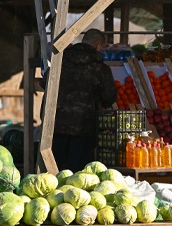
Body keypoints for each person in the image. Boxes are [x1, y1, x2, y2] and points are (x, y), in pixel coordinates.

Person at [41, 29, 116, 172]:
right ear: (98, 46)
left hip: (55, 124)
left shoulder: (60, 61)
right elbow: (109, 97)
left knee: (52, 170)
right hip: (83, 127)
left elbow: (45, 83)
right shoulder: (100, 68)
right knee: (76, 172)